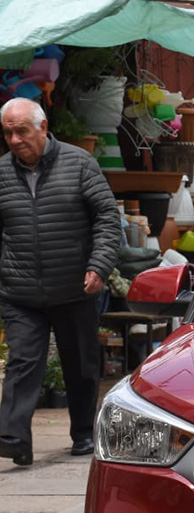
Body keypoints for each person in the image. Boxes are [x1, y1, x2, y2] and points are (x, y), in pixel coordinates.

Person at [0, 98, 121, 466]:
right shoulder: (2, 173)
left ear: (43, 127)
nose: (15, 139)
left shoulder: (79, 163)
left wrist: (98, 265)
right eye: (8, 133)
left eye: (22, 130)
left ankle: (84, 432)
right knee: (22, 361)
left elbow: (106, 218)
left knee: (81, 365)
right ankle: (13, 438)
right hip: (20, 291)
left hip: (74, 286)